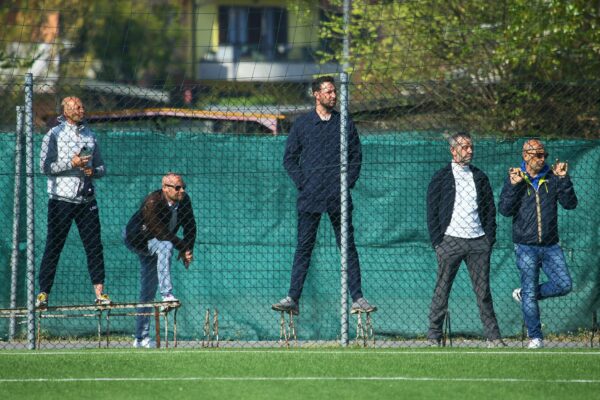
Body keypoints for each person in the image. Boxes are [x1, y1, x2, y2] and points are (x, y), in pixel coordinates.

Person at [271, 75, 376, 316]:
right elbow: (290, 159)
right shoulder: (303, 124)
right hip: (310, 198)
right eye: (328, 91)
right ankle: (292, 298)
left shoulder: (344, 123)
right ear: (316, 94)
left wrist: (346, 183)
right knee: (304, 247)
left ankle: (358, 298)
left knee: (347, 247)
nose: (333, 95)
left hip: (338, 198)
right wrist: (304, 183)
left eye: (334, 91)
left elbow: (356, 157)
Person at [426, 132, 505, 347]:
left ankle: (493, 337)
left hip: (478, 242)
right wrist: (438, 242)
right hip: (449, 241)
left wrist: (488, 239)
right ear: (453, 150)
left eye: (471, 147)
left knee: (483, 292)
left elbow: (490, 210)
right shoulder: (441, 177)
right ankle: (434, 336)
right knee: (442, 290)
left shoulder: (480, 177)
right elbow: (431, 211)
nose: (469, 151)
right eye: (464, 147)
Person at [499, 139, 577, 349]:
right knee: (531, 291)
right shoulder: (516, 177)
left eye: (545, 155)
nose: (543, 159)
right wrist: (514, 186)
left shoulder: (552, 178)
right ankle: (536, 337)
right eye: (538, 155)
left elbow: (570, 204)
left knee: (564, 285)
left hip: (551, 245)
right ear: (525, 156)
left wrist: (563, 179)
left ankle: (525, 295)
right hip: (525, 246)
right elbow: (505, 210)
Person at [36, 96, 110, 308]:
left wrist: (92, 171)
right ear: (66, 111)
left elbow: (102, 168)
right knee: (54, 245)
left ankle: (100, 294)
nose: (81, 108)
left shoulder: (90, 135)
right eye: (76, 106)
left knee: (94, 246)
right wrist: (72, 163)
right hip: (61, 200)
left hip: (86, 200)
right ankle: (43, 294)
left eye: (82, 105)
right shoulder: (54, 134)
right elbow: (45, 167)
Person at [124, 173, 196, 348]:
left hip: (158, 243)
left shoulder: (184, 201)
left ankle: (140, 338)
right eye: (177, 188)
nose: (182, 191)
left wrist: (189, 249)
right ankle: (167, 295)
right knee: (166, 245)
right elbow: (160, 233)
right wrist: (182, 247)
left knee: (147, 292)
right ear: (165, 188)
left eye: (183, 187)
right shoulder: (153, 202)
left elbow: (191, 225)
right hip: (138, 239)